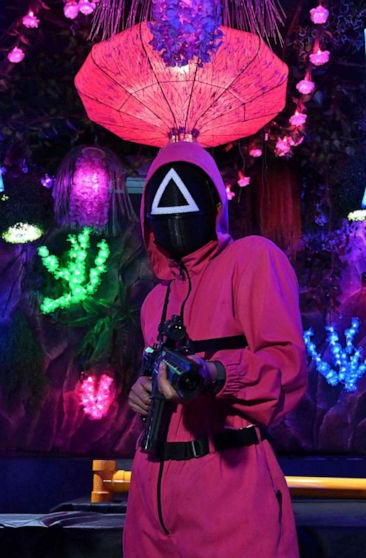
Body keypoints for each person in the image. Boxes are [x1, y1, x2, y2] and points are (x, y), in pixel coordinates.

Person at [124, 141, 307, 557]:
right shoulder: (156, 301)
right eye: (161, 201)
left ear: (213, 201)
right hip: (149, 498)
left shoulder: (252, 259)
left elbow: (288, 370)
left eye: (187, 193)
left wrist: (213, 375)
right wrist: (143, 391)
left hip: (229, 487)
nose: (174, 210)